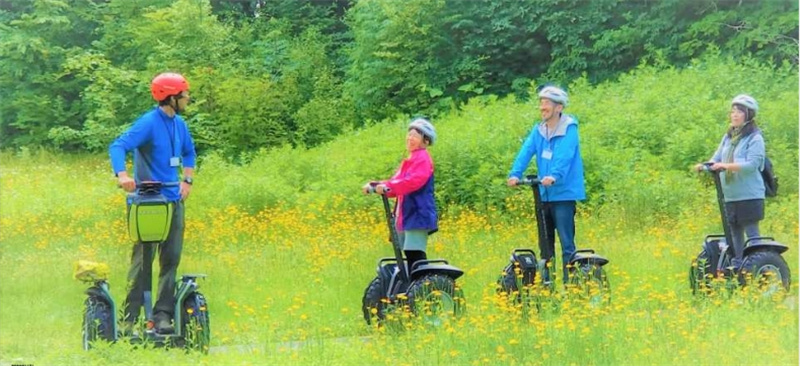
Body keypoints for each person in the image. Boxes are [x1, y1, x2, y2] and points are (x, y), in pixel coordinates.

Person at [109, 72, 197, 334]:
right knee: (142, 262)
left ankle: (162, 316)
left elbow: (190, 152)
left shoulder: (179, 124)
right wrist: (123, 175)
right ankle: (128, 319)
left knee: (171, 260)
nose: (188, 98)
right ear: (171, 97)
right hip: (148, 204)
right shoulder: (148, 123)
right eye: (185, 94)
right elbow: (118, 146)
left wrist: (187, 180)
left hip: (173, 200)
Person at [507, 85, 586, 283]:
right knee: (546, 245)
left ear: (558, 107)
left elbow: (565, 155)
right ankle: (548, 285)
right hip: (544, 194)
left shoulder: (569, 128)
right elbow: (526, 151)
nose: (542, 107)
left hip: (564, 194)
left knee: (567, 243)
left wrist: (554, 175)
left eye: (547, 103)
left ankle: (571, 285)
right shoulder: (539, 130)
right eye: (541, 103)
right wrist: (515, 174)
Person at [694, 94, 765, 270]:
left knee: (752, 234)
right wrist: (704, 165)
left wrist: (726, 165)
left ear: (748, 114)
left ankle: (759, 268)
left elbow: (752, 164)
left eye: (739, 111)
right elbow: (716, 158)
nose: (734, 115)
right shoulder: (728, 138)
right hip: (730, 195)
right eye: (732, 111)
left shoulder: (755, 138)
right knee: (734, 234)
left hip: (749, 194)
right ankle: (738, 268)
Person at [362, 118, 438, 273]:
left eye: (415, 136)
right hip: (407, 213)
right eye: (409, 135)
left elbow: (412, 182)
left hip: (418, 214)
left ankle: (424, 286)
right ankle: (413, 287)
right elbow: (396, 183)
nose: (410, 139)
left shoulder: (423, 158)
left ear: (426, 141)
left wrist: (386, 187)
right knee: (407, 253)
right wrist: (375, 185)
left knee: (414, 253)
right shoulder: (411, 159)